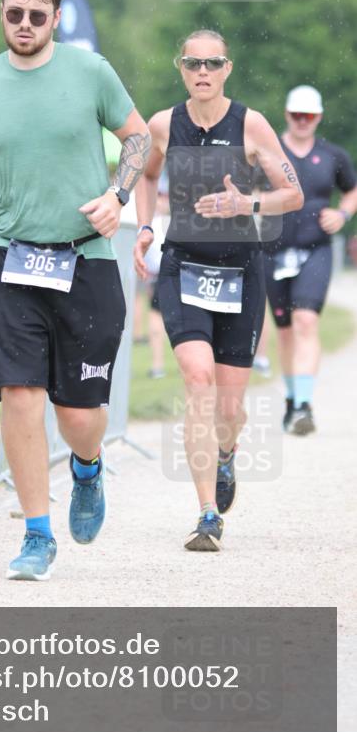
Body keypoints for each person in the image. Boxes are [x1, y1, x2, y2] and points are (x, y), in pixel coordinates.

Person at [0, 0, 150, 580]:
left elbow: (138, 139)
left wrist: (117, 197)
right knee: (20, 394)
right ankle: (36, 533)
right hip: (10, 257)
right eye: (14, 14)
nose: (24, 24)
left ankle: (86, 466)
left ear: (55, 17)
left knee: (78, 416)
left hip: (85, 259)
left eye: (36, 15)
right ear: (1, 13)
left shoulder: (91, 72)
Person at [134, 30, 304, 552]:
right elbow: (145, 175)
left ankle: (226, 453)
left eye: (212, 63)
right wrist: (146, 226)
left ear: (227, 68)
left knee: (229, 409)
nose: (202, 71)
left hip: (240, 271)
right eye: (193, 63)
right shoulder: (162, 124)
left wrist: (245, 205)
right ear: (181, 68)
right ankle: (207, 514)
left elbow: (292, 194)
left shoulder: (251, 124)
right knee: (198, 380)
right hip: (183, 265)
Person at [261, 85, 357, 435]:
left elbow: (352, 190)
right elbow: (247, 191)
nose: (302, 121)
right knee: (285, 331)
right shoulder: (268, 153)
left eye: (309, 116)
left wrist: (342, 214)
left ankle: (304, 404)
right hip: (271, 250)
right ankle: (291, 399)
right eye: (297, 114)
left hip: (316, 249)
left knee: (306, 321)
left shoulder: (333, 155)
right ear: (287, 115)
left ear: (318, 117)